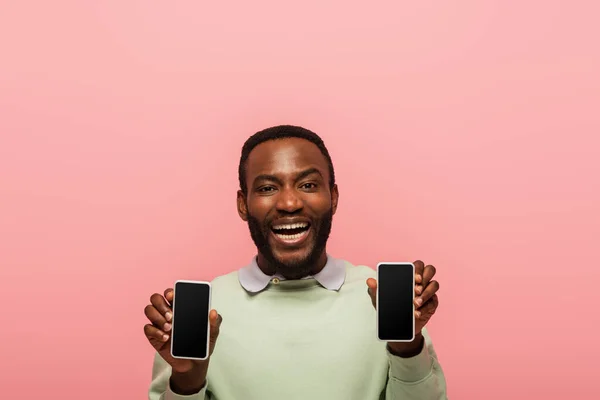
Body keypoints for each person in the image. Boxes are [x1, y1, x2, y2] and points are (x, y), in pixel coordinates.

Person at [144, 125, 447, 400]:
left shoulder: (383, 302)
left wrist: (407, 348)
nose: (289, 203)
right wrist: (187, 381)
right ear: (242, 204)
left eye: (308, 185)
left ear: (334, 197)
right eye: (267, 188)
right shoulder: (200, 314)